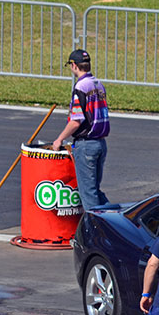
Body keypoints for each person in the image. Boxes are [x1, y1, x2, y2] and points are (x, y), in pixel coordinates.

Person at [52, 49, 110, 209]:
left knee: (88, 194)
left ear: (74, 65)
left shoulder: (80, 87)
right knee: (95, 191)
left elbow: (76, 120)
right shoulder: (98, 84)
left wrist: (59, 139)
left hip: (87, 145)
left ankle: (96, 229)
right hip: (101, 143)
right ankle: (114, 219)